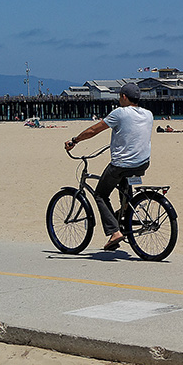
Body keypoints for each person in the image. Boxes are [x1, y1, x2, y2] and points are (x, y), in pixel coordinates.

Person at [64, 83, 154, 251]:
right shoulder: (148, 114)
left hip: (121, 165)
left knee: (100, 194)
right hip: (142, 163)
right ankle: (125, 211)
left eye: (120, 96)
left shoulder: (120, 113)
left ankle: (114, 232)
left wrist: (74, 141)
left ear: (124, 97)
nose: (119, 99)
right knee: (123, 187)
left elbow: (93, 130)